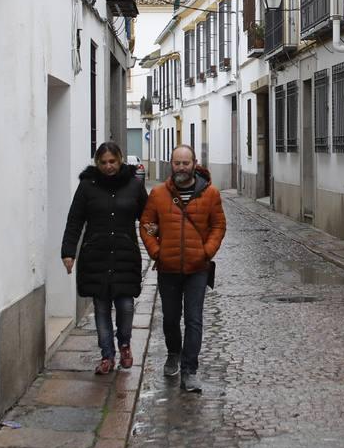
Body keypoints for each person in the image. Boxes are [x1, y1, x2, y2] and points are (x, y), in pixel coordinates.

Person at [139, 144, 226, 393]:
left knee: (194, 319)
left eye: (186, 163)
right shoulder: (157, 194)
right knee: (170, 318)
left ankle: (189, 370)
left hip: (197, 269)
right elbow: (146, 224)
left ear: (194, 164)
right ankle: (173, 353)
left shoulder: (210, 195)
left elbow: (219, 226)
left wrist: (206, 252)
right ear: (171, 163)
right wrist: (157, 252)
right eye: (177, 163)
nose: (181, 167)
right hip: (168, 269)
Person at [60, 141, 148, 374]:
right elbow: (75, 220)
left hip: (125, 255)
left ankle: (125, 344)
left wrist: (157, 244)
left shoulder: (134, 185)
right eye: (103, 162)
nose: (108, 166)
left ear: (120, 160)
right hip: (95, 256)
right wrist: (68, 252)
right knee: (100, 308)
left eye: (112, 161)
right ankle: (107, 355)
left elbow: (148, 218)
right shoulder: (87, 186)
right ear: (97, 163)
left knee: (126, 306)